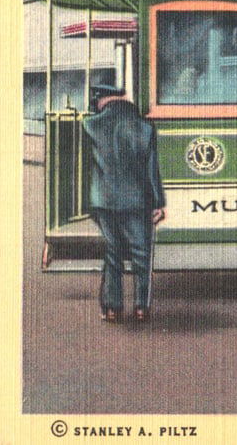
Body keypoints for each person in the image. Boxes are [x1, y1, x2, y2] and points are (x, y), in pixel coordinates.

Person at [83, 83, 166, 323]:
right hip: (138, 201)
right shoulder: (145, 128)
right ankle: (141, 307)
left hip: (104, 201)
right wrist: (158, 203)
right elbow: (152, 172)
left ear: (101, 100)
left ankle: (112, 308)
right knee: (142, 254)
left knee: (113, 254)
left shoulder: (90, 125)